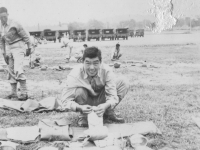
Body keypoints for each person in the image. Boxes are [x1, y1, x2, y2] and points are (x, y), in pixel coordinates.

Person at [61, 47, 129, 127]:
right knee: (79, 91)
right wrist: (80, 107)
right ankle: (84, 116)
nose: (92, 68)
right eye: (88, 63)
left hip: (102, 100)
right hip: (85, 102)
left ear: (100, 62)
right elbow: (65, 101)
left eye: (95, 63)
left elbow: (112, 96)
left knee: (123, 82)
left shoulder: (107, 70)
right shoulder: (75, 74)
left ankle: (108, 112)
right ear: (82, 62)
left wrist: (106, 105)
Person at [0, 7, 32, 100]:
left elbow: (25, 35)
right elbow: (1, 41)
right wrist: (3, 52)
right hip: (9, 47)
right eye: (0, 17)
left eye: (4, 17)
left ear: (7, 14)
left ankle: (24, 93)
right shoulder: (1, 27)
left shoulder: (15, 23)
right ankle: (13, 93)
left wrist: (29, 47)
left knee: (18, 69)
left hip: (18, 46)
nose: (3, 19)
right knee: (10, 70)